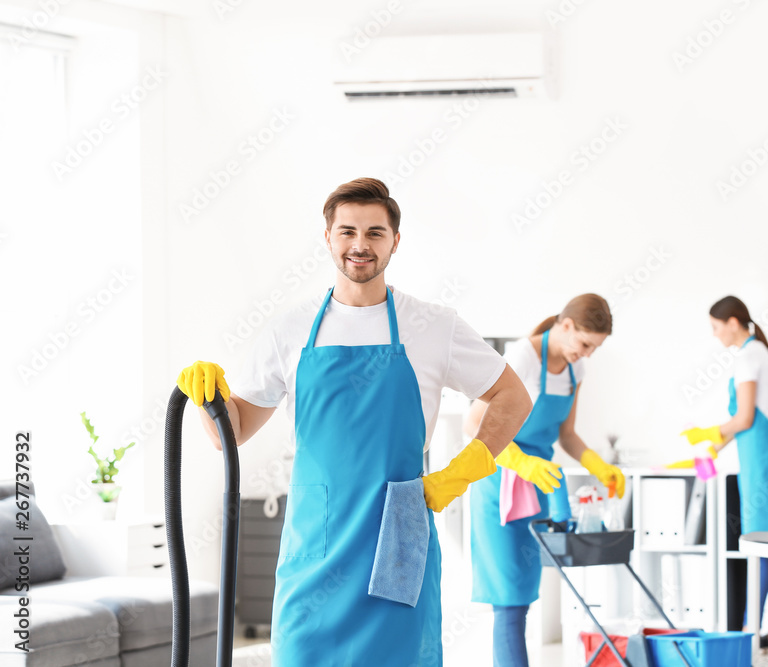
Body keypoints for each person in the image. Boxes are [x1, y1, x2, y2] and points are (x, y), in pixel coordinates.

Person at [176, 177, 533, 666]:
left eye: (374, 233)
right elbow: (231, 434)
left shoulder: (434, 325)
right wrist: (208, 398)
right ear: (328, 238)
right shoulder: (291, 328)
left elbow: (512, 396)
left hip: (399, 539)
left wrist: (465, 469)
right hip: (315, 547)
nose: (360, 245)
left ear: (395, 241)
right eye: (347, 232)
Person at [464, 295, 625, 667]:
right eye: (585, 344)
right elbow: (474, 425)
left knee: (528, 589)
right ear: (565, 326)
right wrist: (520, 462)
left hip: (540, 484)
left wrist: (599, 466)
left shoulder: (575, 369)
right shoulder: (522, 358)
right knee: (509, 598)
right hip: (501, 482)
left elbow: (566, 434)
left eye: (594, 349)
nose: (586, 354)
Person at [681, 295, 768, 654]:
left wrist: (710, 432)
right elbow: (752, 420)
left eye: (716, 327)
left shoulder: (748, 356)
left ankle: (750, 632)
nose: (715, 335)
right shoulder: (760, 352)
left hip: (761, 460)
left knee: (758, 544)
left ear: (733, 322)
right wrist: (715, 446)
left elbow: (744, 418)